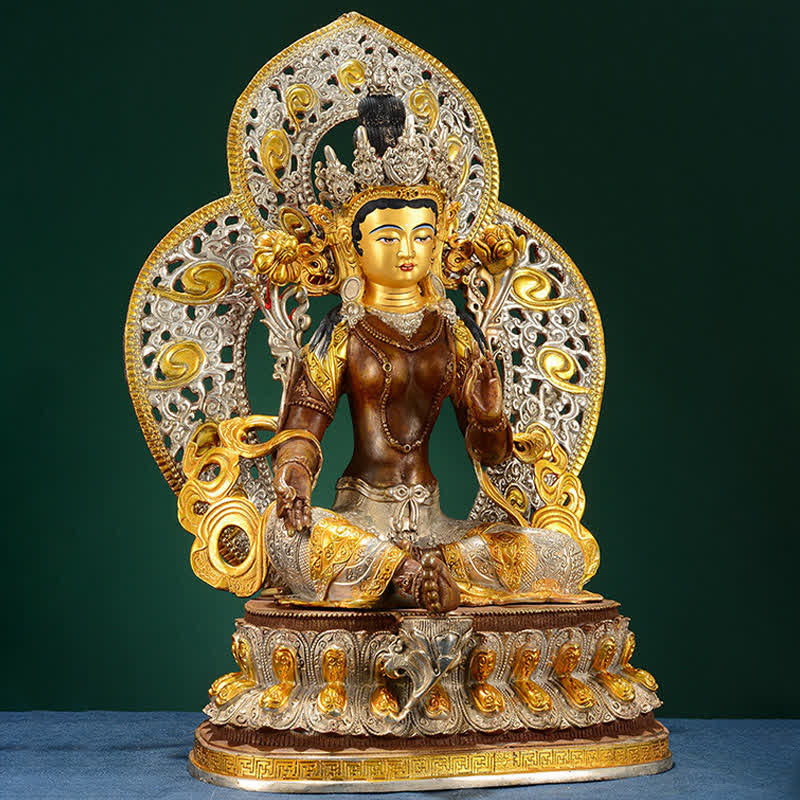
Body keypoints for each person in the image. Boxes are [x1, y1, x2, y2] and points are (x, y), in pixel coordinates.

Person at [263, 94, 589, 613]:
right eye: (388, 237)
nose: (407, 251)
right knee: (289, 537)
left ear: (439, 241)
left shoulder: (455, 333)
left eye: (421, 235)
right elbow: (301, 432)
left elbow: (492, 457)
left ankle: (411, 576)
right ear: (354, 244)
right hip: (359, 521)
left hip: (436, 525)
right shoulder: (341, 331)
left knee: (563, 550)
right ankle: (408, 575)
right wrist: (294, 481)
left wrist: (489, 417)